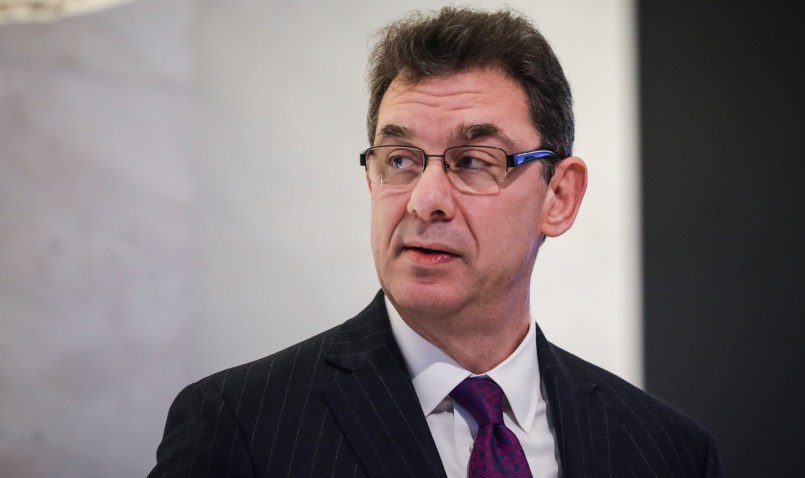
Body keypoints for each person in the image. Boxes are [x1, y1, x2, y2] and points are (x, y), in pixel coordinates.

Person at [149, 7, 720, 478]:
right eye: (399, 160)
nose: (425, 200)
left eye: (473, 161)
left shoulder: (666, 451)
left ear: (560, 196)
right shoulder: (241, 426)